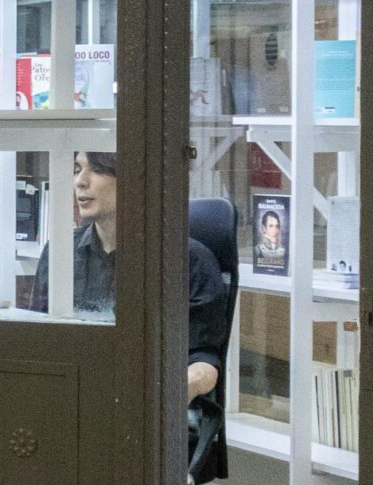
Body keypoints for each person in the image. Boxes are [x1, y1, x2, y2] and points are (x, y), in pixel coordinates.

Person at [32, 152, 229, 403]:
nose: (80, 181)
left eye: (97, 169)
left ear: (133, 180)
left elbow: (203, 363)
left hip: (142, 402)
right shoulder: (60, 251)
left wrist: (161, 397)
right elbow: (38, 339)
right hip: (68, 394)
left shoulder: (189, 261)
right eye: (77, 168)